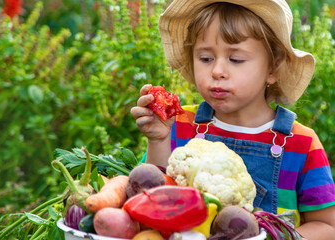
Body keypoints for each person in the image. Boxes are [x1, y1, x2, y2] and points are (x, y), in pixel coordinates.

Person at [130, 0, 335, 239]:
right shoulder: (178, 124)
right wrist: (158, 140)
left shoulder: (301, 145)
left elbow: (327, 227)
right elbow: (150, 196)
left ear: (273, 68)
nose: (217, 71)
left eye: (235, 60)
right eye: (205, 58)